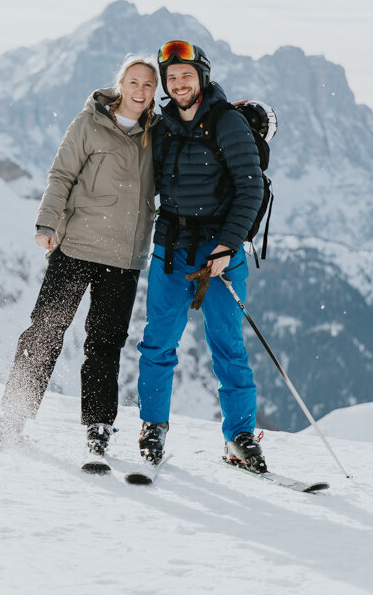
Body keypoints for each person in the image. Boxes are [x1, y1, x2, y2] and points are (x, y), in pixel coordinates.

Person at [0, 54, 160, 456]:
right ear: (120, 84)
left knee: (105, 344)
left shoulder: (159, 133)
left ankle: (98, 427)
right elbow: (62, 175)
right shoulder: (89, 123)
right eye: (134, 82)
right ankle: (13, 415)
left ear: (156, 92)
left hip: (124, 257)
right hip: (76, 247)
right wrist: (46, 224)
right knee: (45, 330)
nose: (140, 91)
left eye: (148, 85)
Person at [135, 40, 267, 472]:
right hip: (171, 251)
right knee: (158, 343)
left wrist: (227, 247)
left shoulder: (226, 121)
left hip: (219, 253)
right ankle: (153, 427)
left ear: (202, 78)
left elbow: (250, 187)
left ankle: (239, 437)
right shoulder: (162, 125)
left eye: (186, 76)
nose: (178, 84)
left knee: (228, 346)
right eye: (171, 78)